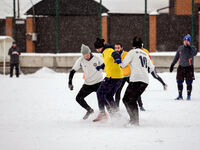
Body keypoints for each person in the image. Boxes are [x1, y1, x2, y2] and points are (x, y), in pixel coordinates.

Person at [120, 37, 154, 125]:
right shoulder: (145, 54)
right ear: (141, 45)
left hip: (136, 79)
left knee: (127, 99)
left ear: (133, 45)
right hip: (145, 80)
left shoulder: (132, 52)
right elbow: (152, 68)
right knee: (131, 99)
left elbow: (123, 65)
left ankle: (134, 121)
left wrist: (118, 60)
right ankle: (134, 120)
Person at [68, 44, 104, 120]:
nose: (86, 56)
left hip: (99, 82)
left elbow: (105, 65)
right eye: (84, 55)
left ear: (90, 53)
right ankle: (89, 110)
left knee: (104, 98)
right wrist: (70, 83)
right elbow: (72, 71)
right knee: (78, 98)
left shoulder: (97, 58)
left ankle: (109, 113)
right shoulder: (80, 60)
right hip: (88, 84)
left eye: (87, 54)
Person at [93, 38, 123, 122]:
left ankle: (102, 114)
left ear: (101, 47)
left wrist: (118, 59)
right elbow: (108, 62)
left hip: (112, 77)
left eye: (98, 48)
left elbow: (115, 54)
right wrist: (101, 67)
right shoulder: (104, 52)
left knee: (100, 92)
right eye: (96, 49)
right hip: (118, 77)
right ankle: (116, 114)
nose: (97, 50)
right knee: (108, 96)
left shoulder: (108, 50)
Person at [114, 43, 146, 111]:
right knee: (117, 91)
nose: (117, 49)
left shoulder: (127, 54)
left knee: (135, 91)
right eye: (115, 48)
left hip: (130, 76)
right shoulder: (114, 55)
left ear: (122, 48)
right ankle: (116, 107)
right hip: (121, 76)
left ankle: (141, 105)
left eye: (118, 47)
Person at [169, 34, 198, 100]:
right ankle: (180, 95)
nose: (186, 41)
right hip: (181, 67)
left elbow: (195, 53)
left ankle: (188, 95)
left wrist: (189, 47)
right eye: (185, 40)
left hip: (189, 67)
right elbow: (176, 57)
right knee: (179, 81)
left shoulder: (192, 48)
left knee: (189, 82)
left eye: (187, 40)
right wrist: (172, 65)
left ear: (189, 42)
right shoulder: (180, 48)